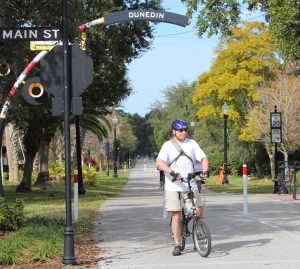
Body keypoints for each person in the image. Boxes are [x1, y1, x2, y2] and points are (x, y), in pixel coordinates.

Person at [156, 119, 209, 256]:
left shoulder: (192, 143)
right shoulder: (168, 145)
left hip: (190, 183)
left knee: (199, 210)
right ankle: (178, 244)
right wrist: (172, 172)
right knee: (176, 214)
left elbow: (203, 158)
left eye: (185, 130)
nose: (184, 132)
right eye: (181, 130)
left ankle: (198, 234)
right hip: (173, 186)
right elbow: (160, 162)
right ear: (174, 131)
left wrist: (204, 171)